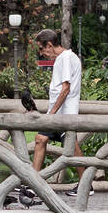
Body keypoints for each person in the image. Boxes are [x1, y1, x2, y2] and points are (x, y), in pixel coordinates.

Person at [31, 29, 82, 189]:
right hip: (61, 114)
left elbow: (65, 88)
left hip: (62, 115)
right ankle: (33, 182)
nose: (42, 53)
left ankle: (86, 184)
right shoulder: (69, 57)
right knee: (41, 139)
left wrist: (51, 114)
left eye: (41, 48)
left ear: (50, 45)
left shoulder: (64, 58)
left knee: (72, 148)